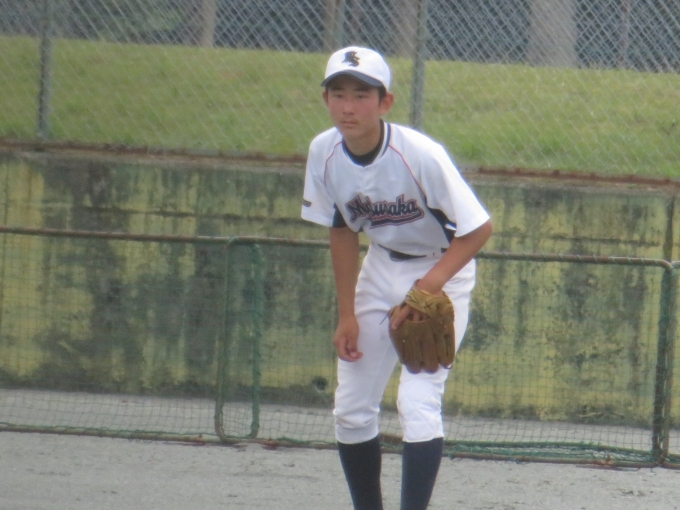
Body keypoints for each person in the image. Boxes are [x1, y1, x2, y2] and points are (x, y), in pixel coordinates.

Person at [300, 46, 492, 510]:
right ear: (325, 99)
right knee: (350, 410)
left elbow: (477, 229)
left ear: (384, 102)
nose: (348, 106)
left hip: (441, 270)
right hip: (381, 264)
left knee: (418, 402)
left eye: (361, 95)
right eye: (338, 94)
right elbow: (341, 229)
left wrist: (427, 289)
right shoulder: (323, 151)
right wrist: (347, 313)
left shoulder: (420, 154)